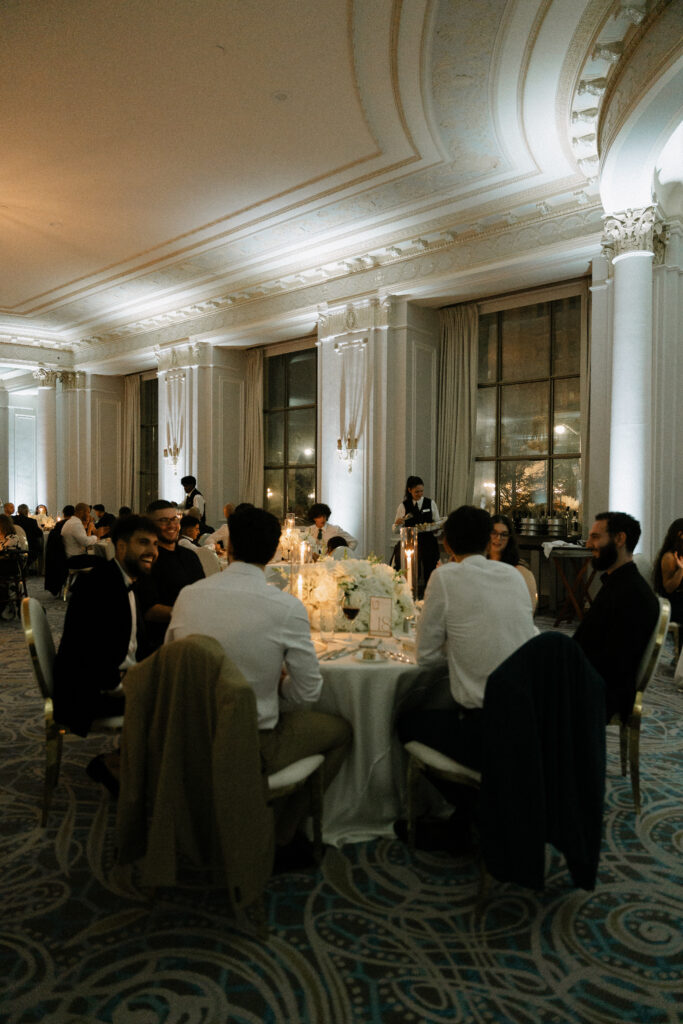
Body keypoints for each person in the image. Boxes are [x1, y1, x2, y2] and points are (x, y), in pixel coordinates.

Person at [166, 505, 352, 866]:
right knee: (342, 731)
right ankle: (282, 833)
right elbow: (308, 693)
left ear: (229, 546)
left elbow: (170, 663)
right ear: (273, 553)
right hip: (250, 743)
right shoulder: (284, 607)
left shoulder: (189, 595)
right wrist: (276, 686)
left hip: (189, 736)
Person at [396, 506, 537, 847]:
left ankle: (474, 809)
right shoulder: (512, 577)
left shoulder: (445, 577)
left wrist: (457, 643)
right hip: (533, 719)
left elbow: (426, 657)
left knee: (405, 722)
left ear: (446, 543)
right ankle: (465, 815)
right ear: (489, 540)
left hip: (485, 730)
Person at [53, 514, 160, 791]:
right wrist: (130, 682)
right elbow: (89, 658)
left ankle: (128, 762)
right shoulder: (98, 586)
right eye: (143, 543)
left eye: (155, 544)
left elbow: (130, 644)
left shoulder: (123, 580)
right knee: (179, 699)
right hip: (88, 692)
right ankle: (120, 765)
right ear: (122, 547)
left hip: (108, 678)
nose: (153, 551)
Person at [573, 511, 660, 723]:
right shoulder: (620, 584)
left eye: (595, 537)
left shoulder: (631, 595)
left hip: (597, 694)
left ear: (619, 539)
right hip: (588, 682)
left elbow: (614, 666)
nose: (588, 545)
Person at [135, 500, 205, 649]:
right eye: (163, 520)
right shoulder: (147, 560)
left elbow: (203, 591)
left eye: (174, 519)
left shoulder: (190, 556)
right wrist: (189, 613)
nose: (172, 525)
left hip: (195, 632)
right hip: (163, 641)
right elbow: (149, 611)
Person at [392, 476, 441, 592]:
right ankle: (410, 594)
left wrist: (435, 527)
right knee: (411, 572)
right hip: (410, 541)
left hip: (429, 540)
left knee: (430, 570)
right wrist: (398, 523)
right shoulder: (403, 506)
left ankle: (430, 594)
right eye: (416, 492)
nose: (420, 494)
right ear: (409, 490)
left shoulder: (430, 503)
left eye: (421, 491)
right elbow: (394, 529)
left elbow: (437, 523)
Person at [486, 513, 537, 612]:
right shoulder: (480, 563)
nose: (498, 538)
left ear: (509, 538)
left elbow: (530, 608)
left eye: (504, 534)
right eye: (494, 533)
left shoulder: (520, 570)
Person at [653, 518, 683, 625]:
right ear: (680, 535)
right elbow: (668, 588)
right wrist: (680, 570)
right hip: (674, 605)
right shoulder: (669, 557)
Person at [12, 504, 43, 568]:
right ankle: (27, 567)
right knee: (38, 546)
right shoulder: (32, 521)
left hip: (15, 545)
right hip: (30, 547)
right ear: (27, 512)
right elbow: (39, 534)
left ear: (18, 511)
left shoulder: (12, 519)